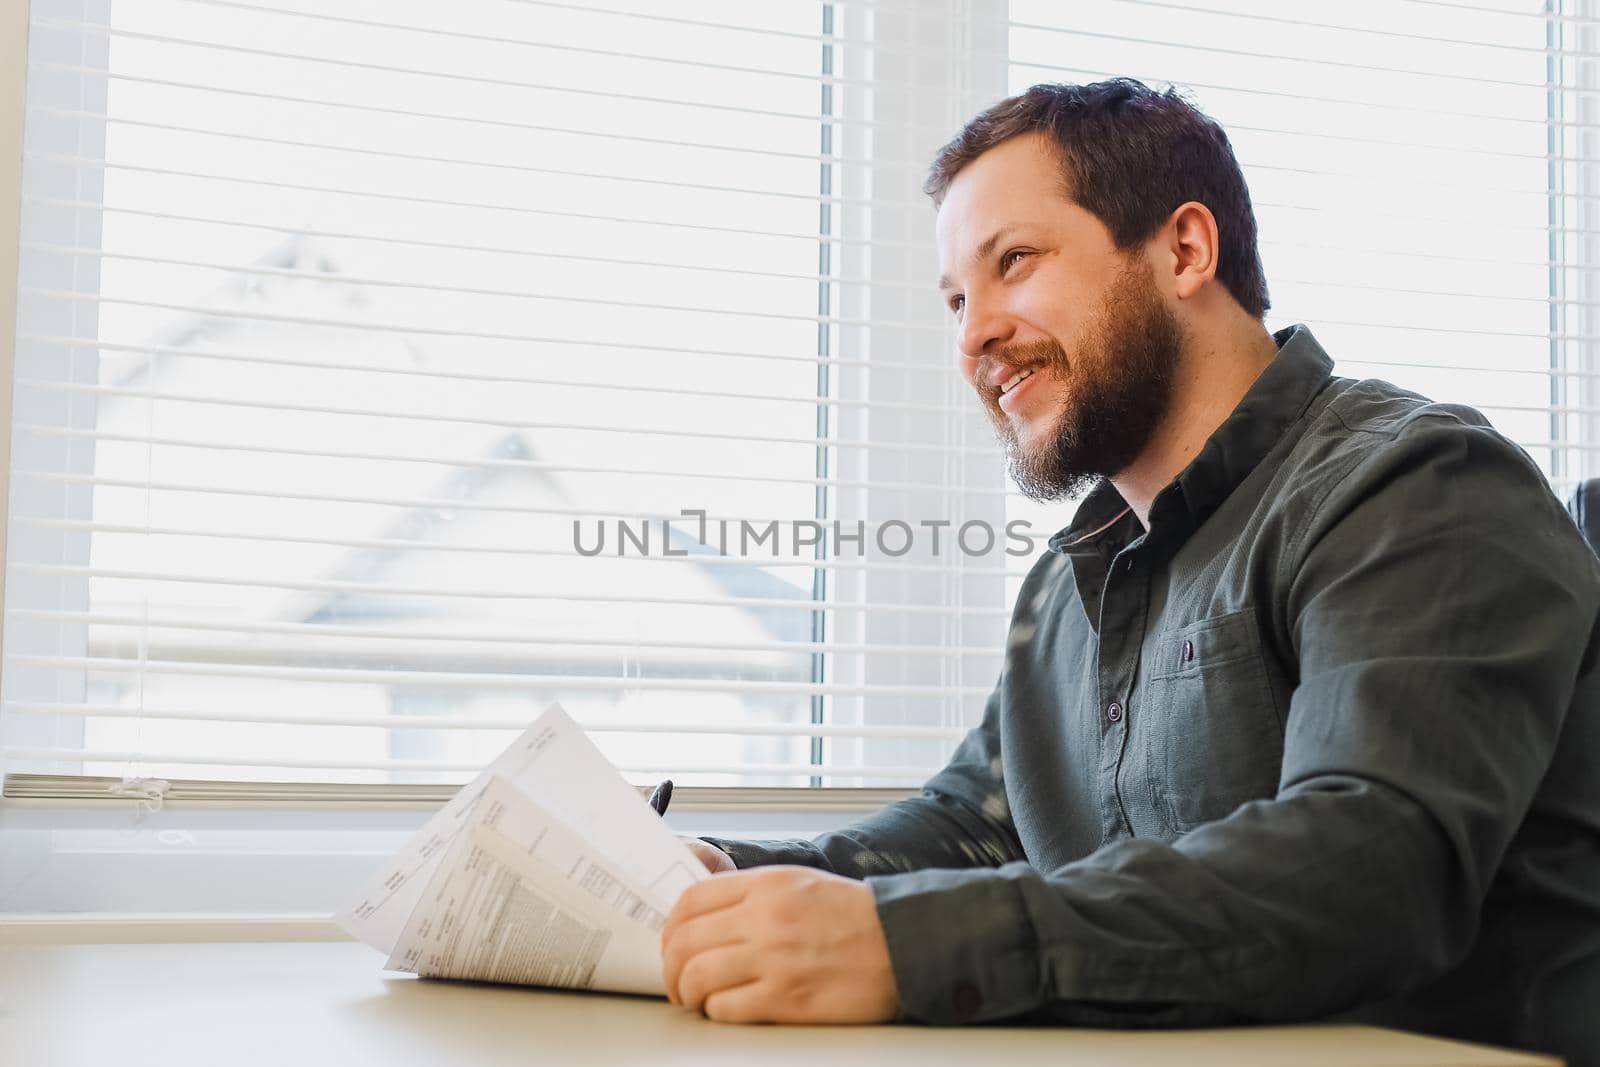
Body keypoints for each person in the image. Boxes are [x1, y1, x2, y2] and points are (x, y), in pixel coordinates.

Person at [657, 79, 1600, 1065]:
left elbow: (1371, 866)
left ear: (1185, 249)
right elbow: (974, 826)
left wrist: (909, 943)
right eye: (954, 300)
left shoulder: (1416, 484)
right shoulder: (1072, 582)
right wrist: (728, 881)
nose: (972, 334)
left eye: (1011, 262)